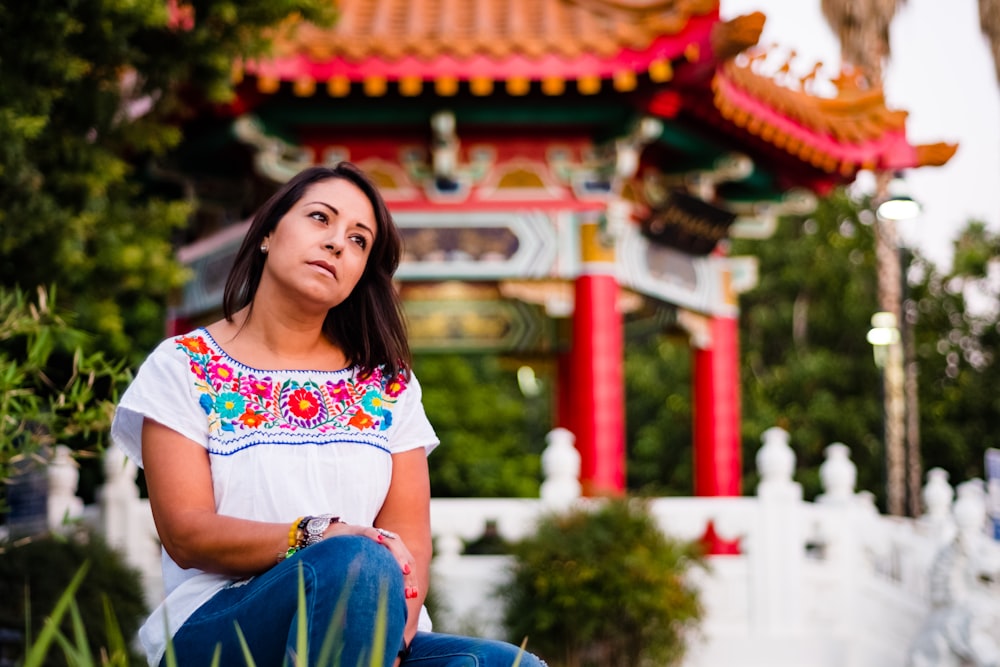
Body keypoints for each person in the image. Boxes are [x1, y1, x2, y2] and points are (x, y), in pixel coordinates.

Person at [111, 163, 546, 667]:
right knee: (354, 561)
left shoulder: (388, 385)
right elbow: (186, 533)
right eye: (321, 219)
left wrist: (391, 641)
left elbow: (411, 549)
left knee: (511, 666)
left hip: (368, 631)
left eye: (359, 241)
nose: (339, 243)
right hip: (218, 626)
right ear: (270, 233)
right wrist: (319, 533)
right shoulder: (185, 364)